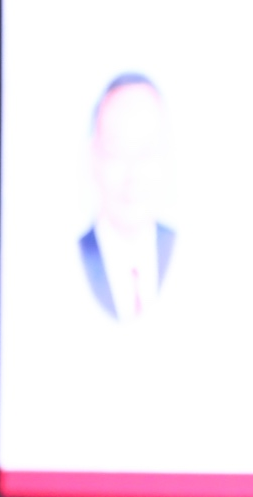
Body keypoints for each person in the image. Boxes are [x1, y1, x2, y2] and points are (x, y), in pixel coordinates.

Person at [79, 73, 176, 321]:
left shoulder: (190, 256)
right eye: (117, 151)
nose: (132, 175)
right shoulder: (65, 263)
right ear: (93, 157)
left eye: (146, 152)